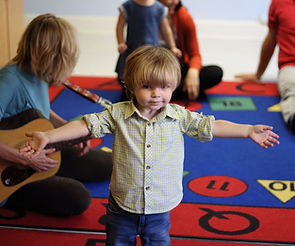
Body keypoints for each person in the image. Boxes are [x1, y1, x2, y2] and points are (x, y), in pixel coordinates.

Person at [20, 45, 279, 245]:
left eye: (164, 87)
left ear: (174, 85)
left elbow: (211, 125)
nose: (156, 94)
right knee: (118, 241)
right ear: (130, 86)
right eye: (147, 86)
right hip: (122, 206)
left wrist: (246, 130)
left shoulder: (179, 116)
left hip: (160, 208)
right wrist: (49, 136)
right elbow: (84, 126)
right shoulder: (117, 114)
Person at [0, 13, 113, 216]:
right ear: (51, 54)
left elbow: (40, 112)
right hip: (11, 167)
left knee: (109, 163)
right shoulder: (9, 81)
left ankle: (49, 170)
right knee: (78, 198)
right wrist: (24, 160)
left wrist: (71, 133)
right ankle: (16, 193)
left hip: (38, 148)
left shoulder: (39, 70)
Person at [235, 0, 295, 133]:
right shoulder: (279, 3)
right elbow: (271, 40)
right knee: (292, 89)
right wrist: (258, 74)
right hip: (290, 66)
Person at [115, 0, 182, 100]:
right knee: (129, 72)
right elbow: (120, 26)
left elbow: (166, 30)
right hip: (133, 48)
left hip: (153, 50)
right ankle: (130, 91)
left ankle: (149, 91)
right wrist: (121, 42)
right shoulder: (128, 6)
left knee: (152, 73)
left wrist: (172, 46)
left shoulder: (159, 7)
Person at [158, 0, 223, 101]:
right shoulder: (144, 15)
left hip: (177, 71)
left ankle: (167, 94)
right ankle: (177, 93)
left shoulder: (183, 15)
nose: (175, 2)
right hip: (153, 72)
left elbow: (195, 54)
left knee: (215, 72)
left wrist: (193, 72)